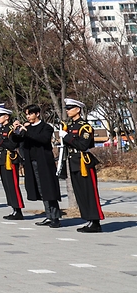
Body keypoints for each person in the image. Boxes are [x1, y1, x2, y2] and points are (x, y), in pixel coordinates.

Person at [11, 104, 61, 228]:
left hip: (44, 162)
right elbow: (16, 140)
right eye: (27, 114)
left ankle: (55, 217)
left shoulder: (46, 127)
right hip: (31, 162)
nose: (28, 117)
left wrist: (26, 131)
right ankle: (49, 216)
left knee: (49, 189)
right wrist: (15, 130)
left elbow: (43, 139)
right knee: (41, 190)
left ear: (37, 114)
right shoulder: (27, 128)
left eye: (30, 114)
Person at [61, 98, 104, 233]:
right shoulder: (70, 126)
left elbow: (83, 145)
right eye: (67, 109)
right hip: (73, 161)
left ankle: (95, 221)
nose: (67, 111)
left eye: (70, 108)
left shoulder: (85, 127)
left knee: (90, 192)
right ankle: (89, 219)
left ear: (78, 109)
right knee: (80, 193)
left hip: (83, 162)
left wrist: (67, 137)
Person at [0, 108, 24, 220]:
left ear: (6, 117)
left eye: (0, 115)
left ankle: (18, 210)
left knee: (13, 185)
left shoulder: (12, 129)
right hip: (3, 159)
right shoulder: (0, 130)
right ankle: (14, 208)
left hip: (10, 160)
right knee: (7, 185)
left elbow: (12, 145)